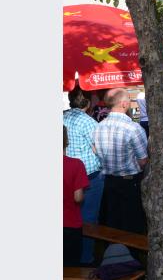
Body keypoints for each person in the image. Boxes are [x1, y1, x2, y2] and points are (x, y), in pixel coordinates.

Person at [94, 88, 148, 234]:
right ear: (124, 104)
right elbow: (143, 161)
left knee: (111, 225)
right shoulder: (134, 128)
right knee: (132, 226)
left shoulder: (98, 127)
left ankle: (111, 248)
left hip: (108, 182)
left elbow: (96, 151)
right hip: (129, 183)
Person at [63, 90, 103, 265]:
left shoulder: (62, 117)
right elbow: (98, 149)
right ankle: (85, 259)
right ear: (87, 102)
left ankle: (69, 258)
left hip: (66, 173)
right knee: (88, 219)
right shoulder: (88, 122)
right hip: (88, 176)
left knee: (67, 216)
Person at [63, 125, 89, 267]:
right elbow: (78, 198)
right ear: (66, 141)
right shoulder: (76, 165)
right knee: (71, 267)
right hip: (70, 224)